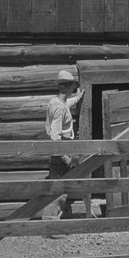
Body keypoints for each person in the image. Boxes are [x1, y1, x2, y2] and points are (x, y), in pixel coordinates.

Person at [45, 70, 83, 219]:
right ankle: (49, 224)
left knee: (60, 190)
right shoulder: (59, 108)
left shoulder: (56, 102)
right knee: (57, 193)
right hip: (60, 154)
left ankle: (54, 222)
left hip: (60, 153)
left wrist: (78, 98)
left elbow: (67, 103)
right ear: (67, 87)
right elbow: (55, 137)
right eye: (72, 87)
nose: (73, 89)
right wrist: (64, 156)